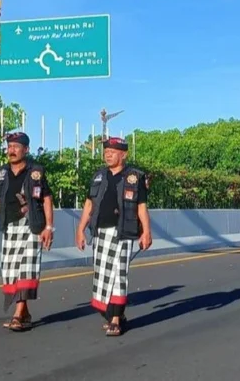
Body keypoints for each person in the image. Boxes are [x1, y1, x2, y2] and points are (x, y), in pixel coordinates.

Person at [0, 131, 55, 332]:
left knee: (26, 268)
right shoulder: (2, 172)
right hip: (9, 225)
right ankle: (25, 312)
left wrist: (48, 227)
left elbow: (46, 198)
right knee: (10, 271)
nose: (11, 150)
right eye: (9, 146)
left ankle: (18, 315)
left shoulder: (35, 171)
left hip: (32, 225)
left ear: (25, 150)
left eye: (16, 146)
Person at [75, 136, 152, 337]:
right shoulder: (98, 176)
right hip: (100, 232)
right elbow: (89, 204)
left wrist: (146, 232)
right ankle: (112, 314)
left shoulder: (134, 177)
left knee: (118, 274)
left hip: (123, 232)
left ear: (123, 154)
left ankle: (116, 319)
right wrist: (80, 229)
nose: (108, 154)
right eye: (106, 151)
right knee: (101, 276)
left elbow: (141, 207)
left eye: (112, 151)